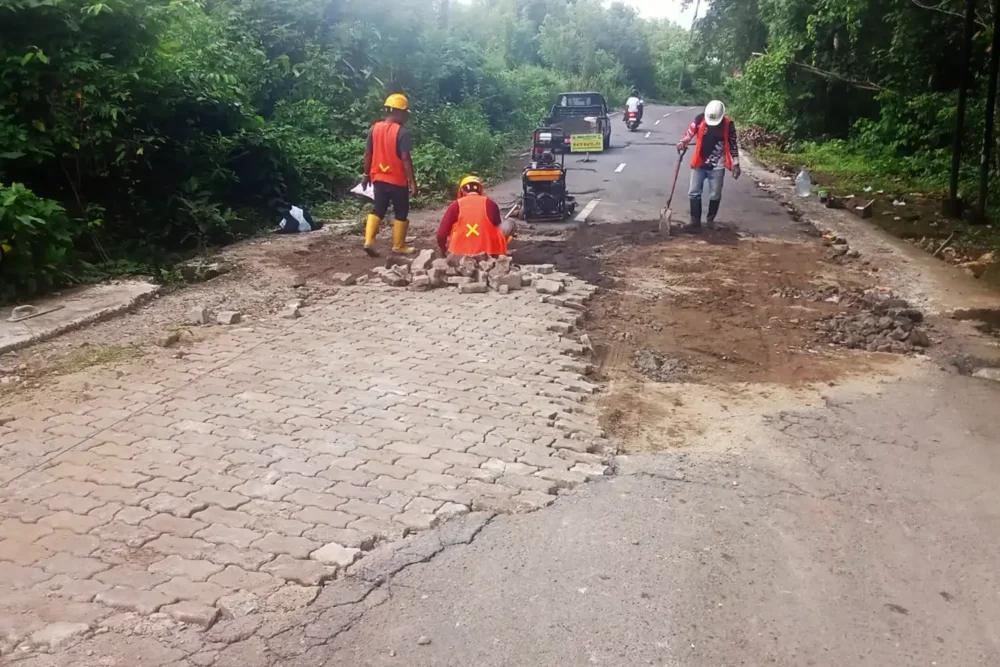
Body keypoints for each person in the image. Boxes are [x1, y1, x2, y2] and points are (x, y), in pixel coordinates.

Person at [362, 93, 418, 256]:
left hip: (378, 178)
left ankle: (369, 241)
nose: (406, 116)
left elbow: (367, 154)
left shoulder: (374, 129)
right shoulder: (402, 132)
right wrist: (412, 182)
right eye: (405, 113)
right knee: (401, 211)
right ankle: (398, 245)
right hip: (397, 180)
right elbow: (406, 159)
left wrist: (366, 175)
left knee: (378, 209)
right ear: (399, 112)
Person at [676, 99, 741, 229]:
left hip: (717, 165)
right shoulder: (700, 119)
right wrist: (682, 142)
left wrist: (736, 163)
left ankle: (710, 221)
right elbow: (690, 133)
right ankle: (695, 221)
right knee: (694, 192)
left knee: (715, 194)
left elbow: (733, 143)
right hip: (699, 163)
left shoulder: (728, 125)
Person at [436, 176, 515, 257]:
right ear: (480, 190)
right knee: (509, 223)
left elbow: (441, 234)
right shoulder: (490, 203)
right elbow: (496, 226)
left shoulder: (455, 205)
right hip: (486, 253)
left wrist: (443, 249)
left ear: (462, 191)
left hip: (458, 254)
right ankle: (496, 253)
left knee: (455, 227)